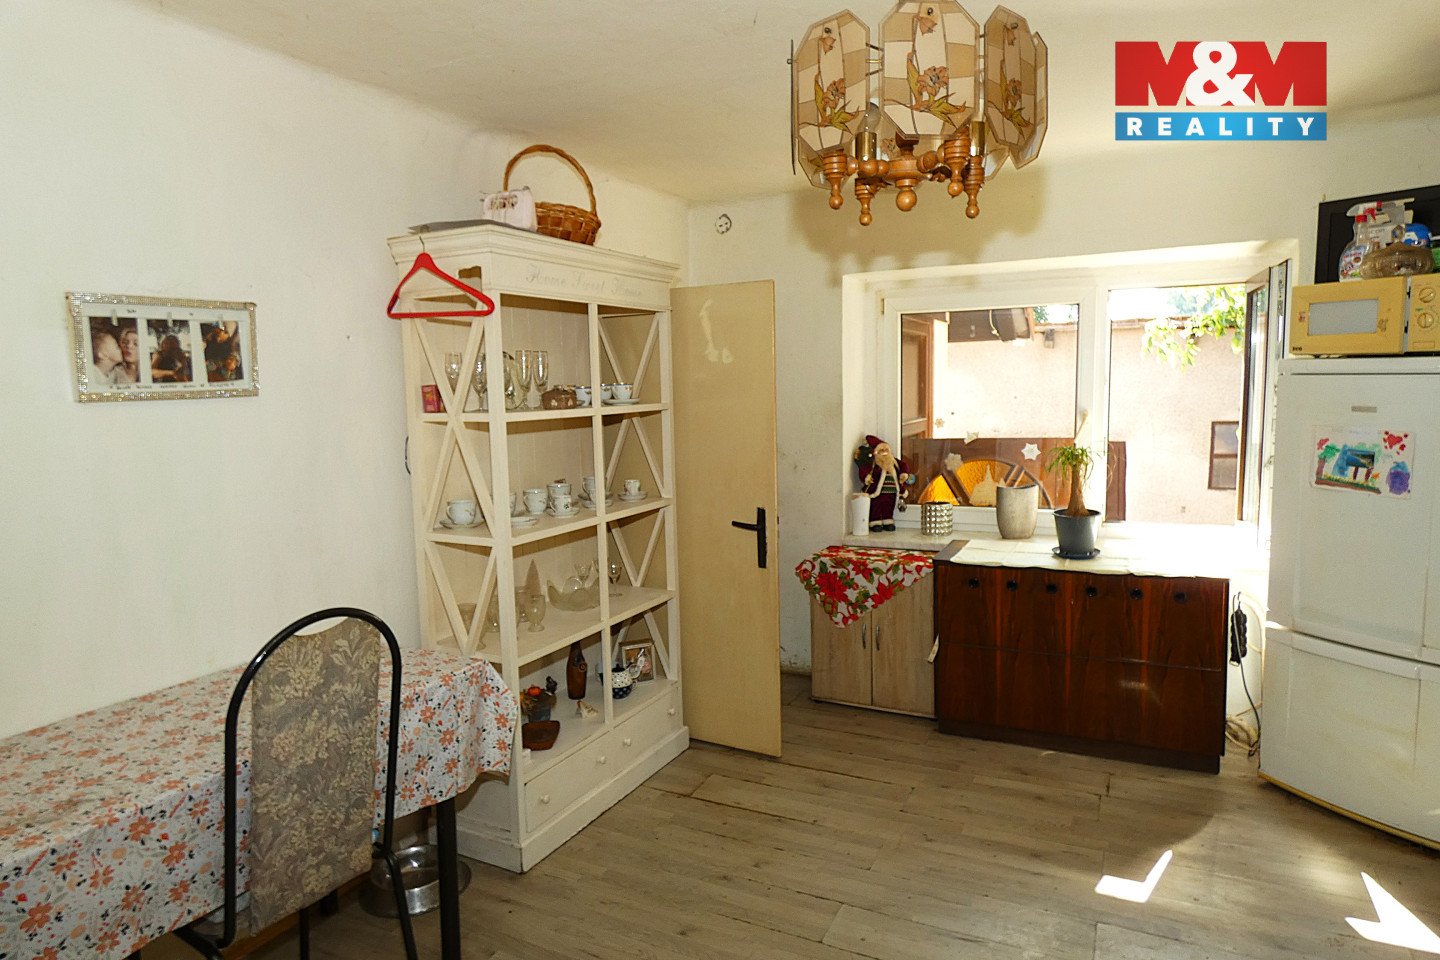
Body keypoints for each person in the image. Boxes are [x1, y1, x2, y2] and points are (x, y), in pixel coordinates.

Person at [857, 434, 912, 531]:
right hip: (878, 492)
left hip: (892, 491)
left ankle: (888, 520)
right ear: (876, 452)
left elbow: (904, 465)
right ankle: (875, 522)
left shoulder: (894, 462)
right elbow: (863, 469)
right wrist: (867, 477)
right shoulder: (874, 464)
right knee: (876, 505)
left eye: (886, 450)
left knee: (889, 506)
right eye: (881, 450)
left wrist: (904, 474)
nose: (885, 452)